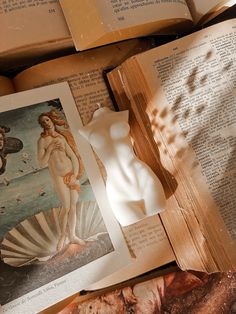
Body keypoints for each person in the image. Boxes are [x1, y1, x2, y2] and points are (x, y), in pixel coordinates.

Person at [37, 109, 85, 250]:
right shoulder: (42, 141)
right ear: (41, 125)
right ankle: (63, 236)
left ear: (52, 120)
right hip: (58, 177)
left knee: (73, 207)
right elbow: (41, 162)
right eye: (42, 122)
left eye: (47, 120)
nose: (46, 123)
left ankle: (73, 236)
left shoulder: (61, 137)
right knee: (66, 207)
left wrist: (75, 176)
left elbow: (73, 157)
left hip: (70, 174)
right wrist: (50, 148)